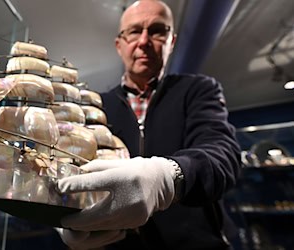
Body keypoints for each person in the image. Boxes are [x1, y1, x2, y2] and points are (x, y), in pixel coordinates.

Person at [56, 0, 241, 249]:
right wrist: (64, 217)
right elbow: (71, 164)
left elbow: (222, 154)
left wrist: (169, 176)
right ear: (119, 45)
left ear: (171, 42)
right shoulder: (96, 105)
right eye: (134, 31)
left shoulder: (198, 90)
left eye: (156, 30)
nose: (143, 41)